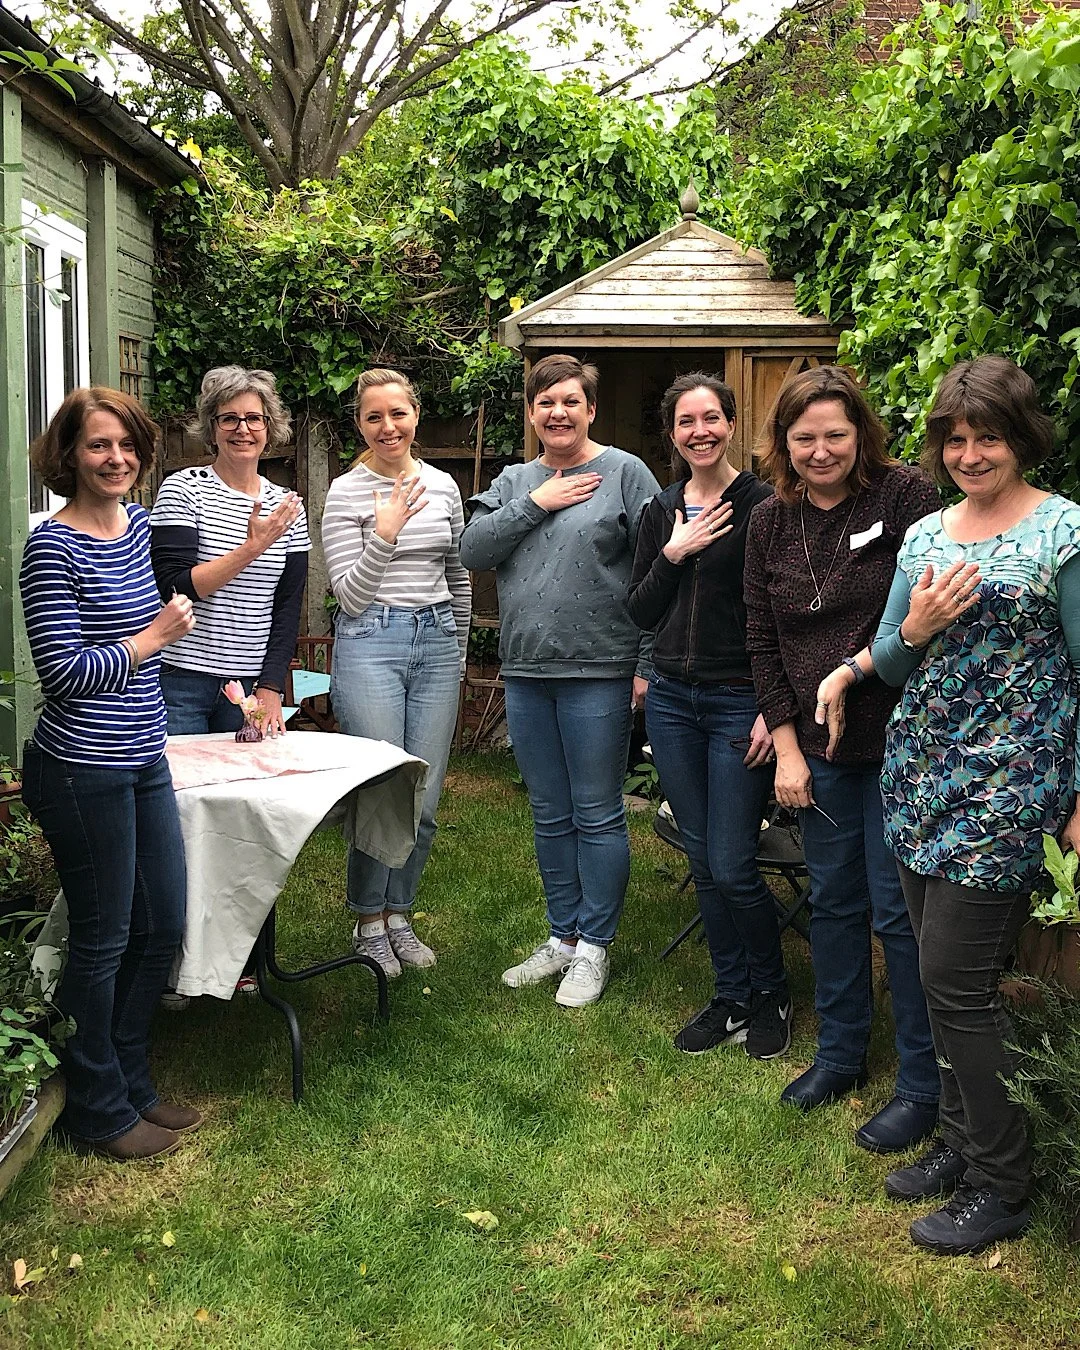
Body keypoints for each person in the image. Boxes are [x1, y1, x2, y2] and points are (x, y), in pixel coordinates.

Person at [857, 356, 1080, 1255]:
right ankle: (960, 1138)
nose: (971, 452)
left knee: (958, 982)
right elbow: (892, 655)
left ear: (1020, 438)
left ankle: (1003, 1184)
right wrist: (916, 627)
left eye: (988, 435)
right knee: (928, 971)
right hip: (918, 775)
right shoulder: (925, 535)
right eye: (955, 437)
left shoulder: (1063, 532)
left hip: (1010, 785)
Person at [744, 364, 941, 1152]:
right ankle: (842, 1055)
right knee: (832, 902)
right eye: (804, 438)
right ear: (783, 445)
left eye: (834, 434)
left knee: (900, 913)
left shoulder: (905, 498)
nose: (820, 451)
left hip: (902, 741)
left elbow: (923, 621)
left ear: (860, 431)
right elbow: (763, 642)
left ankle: (924, 1084)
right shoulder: (769, 523)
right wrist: (787, 751)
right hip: (818, 753)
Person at [19, 387, 200, 1160]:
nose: (115, 458)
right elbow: (61, 673)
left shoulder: (137, 529)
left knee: (161, 926)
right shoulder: (49, 547)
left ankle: (131, 1081)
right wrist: (153, 636)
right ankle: (95, 1109)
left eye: (126, 444)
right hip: (79, 769)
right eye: (98, 446)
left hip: (141, 758)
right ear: (70, 456)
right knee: (104, 939)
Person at [460, 352, 660, 1008]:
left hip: (599, 669)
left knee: (597, 812)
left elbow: (660, 572)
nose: (558, 412)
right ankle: (563, 939)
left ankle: (596, 947)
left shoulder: (625, 473)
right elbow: (473, 550)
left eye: (571, 400)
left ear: (590, 408)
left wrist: (644, 665)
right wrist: (538, 502)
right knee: (549, 814)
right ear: (531, 413)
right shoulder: (516, 480)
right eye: (545, 402)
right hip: (526, 670)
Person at [629, 373, 790, 1058]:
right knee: (702, 855)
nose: (700, 431)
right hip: (671, 701)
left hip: (736, 703)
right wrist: (675, 552)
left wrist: (769, 706)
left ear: (731, 423)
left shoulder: (764, 508)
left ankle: (772, 990)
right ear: (672, 434)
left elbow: (782, 616)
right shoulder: (660, 510)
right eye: (686, 422)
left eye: (712, 418)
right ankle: (730, 994)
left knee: (730, 862)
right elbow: (639, 609)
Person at [322, 368, 471, 977]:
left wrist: (458, 649)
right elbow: (348, 597)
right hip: (369, 642)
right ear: (360, 424)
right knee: (383, 791)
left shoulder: (443, 485)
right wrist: (384, 533)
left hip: (436, 642)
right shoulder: (345, 492)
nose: (388, 427)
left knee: (426, 796)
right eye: (374, 417)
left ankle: (399, 914)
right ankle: (367, 921)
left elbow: (458, 573)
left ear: (416, 416)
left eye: (398, 414)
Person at [149, 366, 310, 739]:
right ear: (212, 428)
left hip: (250, 683)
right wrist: (251, 549)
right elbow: (175, 588)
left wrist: (271, 685)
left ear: (269, 428)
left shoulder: (286, 507)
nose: (243, 429)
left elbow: (288, 606)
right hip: (182, 680)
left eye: (254, 418)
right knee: (185, 792)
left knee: (245, 793)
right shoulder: (184, 489)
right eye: (229, 419)